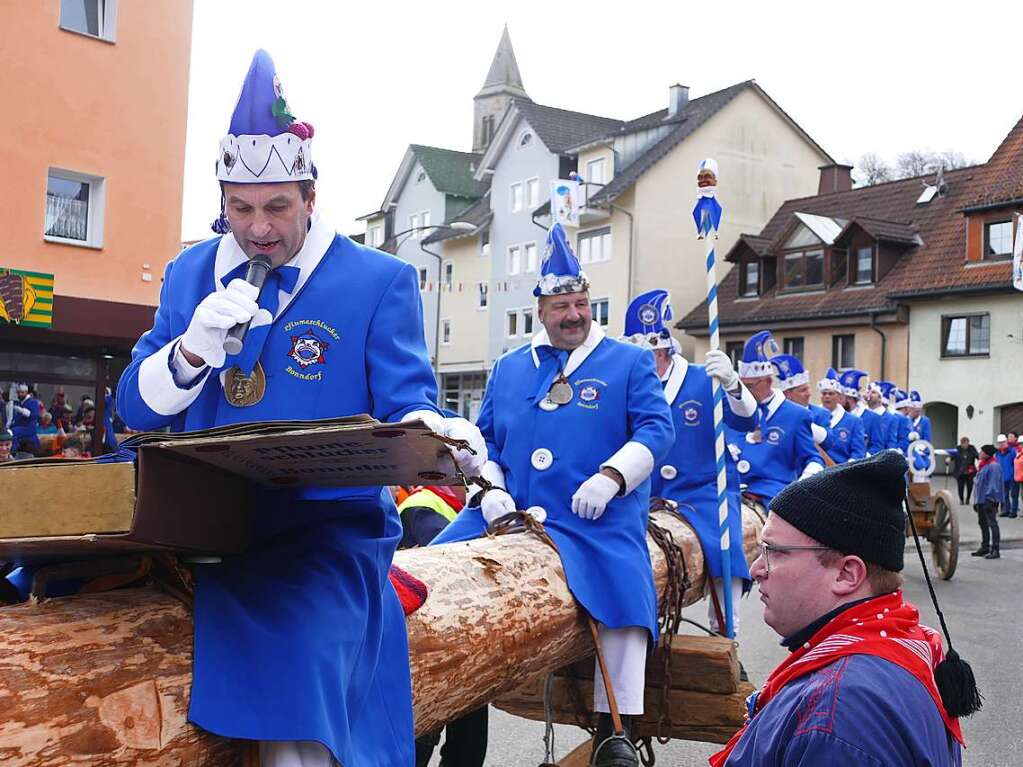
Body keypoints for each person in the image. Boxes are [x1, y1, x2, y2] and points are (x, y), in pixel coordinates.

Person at [115, 50, 486, 767]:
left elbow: (407, 400)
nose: (257, 228)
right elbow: (134, 406)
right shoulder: (189, 271)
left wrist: (435, 432)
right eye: (240, 208)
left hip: (326, 534)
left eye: (277, 206)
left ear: (311, 196)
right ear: (222, 200)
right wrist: (189, 352)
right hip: (199, 529)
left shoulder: (379, 280)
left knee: (300, 664)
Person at [433, 223, 674, 767]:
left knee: (625, 588)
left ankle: (618, 725)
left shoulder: (629, 361)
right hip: (510, 514)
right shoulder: (511, 366)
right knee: (428, 566)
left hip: (596, 517)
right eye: (562, 304)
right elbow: (486, 439)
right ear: (540, 309)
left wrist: (611, 477)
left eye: (582, 303)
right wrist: (489, 489)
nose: (574, 314)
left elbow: (657, 430)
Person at [710, 452, 972, 766]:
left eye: (774, 552)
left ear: (846, 574)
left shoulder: (840, 709)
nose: (755, 570)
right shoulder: (901, 642)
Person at [620, 289, 757, 635]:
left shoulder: (703, 379)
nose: (643, 362)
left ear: (665, 348)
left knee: (724, 548)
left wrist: (733, 384)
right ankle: (634, 628)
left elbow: (747, 422)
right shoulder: (627, 384)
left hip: (703, 489)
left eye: (649, 354)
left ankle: (727, 630)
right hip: (648, 491)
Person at [726, 333, 823, 507]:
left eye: (750, 386)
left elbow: (812, 459)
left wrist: (801, 488)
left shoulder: (796, 415)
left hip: (774, 497)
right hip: (731, 492)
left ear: (769, 381)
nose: (745, 392)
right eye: (743, 386)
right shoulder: (734, 410)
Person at [817, 368, 865, 462]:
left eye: (831, 393)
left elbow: (858, 452)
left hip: (842, 470)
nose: (827, 396)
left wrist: (847, 470)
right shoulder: (812, 416)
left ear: (839, 396)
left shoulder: (854, 421)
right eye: (824, 393)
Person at [973, 444, 1004, 558]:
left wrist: (990, 499)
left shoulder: (993, 466)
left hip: (988, 500)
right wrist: (976, 501)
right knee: (982, 523)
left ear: (987, 454)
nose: (980, 454)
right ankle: (985, 547)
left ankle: (995, 549)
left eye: (982, 452)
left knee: (992, 524)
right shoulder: (983, 465)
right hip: (981, 500)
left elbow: (994, 485)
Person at [10, 383, 42, 455]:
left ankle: (13, 453)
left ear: (26, 393)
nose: (20, 394)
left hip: (29, 428)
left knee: (13, 432)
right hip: (19, 427)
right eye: (19, 393)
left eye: (22, 392)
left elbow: (33, 415)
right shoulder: (19, 403)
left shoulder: (33, 402)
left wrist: (22, 410)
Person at [946, 437, 979, 505]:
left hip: (970, 471)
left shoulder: (972, 448)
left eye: (966, 443)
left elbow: (977, 456)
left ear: (968, 443)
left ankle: (968, 499)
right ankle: (961, 499)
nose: (965, 445)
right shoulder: (957, 449)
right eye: (963, 444)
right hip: (960, 471)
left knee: (970, 486)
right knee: (960, 487)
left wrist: (982, 457)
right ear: (961, 444)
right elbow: (952, 456)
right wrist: (949, 458)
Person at [995, 434, 1019, 518]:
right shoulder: (997, 453)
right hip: (1002, 476)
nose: (1001, 444)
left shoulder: (1012, 451)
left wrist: (1014, 473)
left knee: (1013, 495)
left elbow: (1016, 463)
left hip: (1012, 476)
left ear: (1006, 442)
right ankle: (1006, 510)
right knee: (1004, 495)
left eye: (1003, 442)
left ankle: (1013, 511)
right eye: (999, 443)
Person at [892, 388, 914, 454]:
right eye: (909, 406)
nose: (911, 408)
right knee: (921, 464)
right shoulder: (904, 419)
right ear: (905, 407)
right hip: (901, 452)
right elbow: (905, 440)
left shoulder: (890, 416)